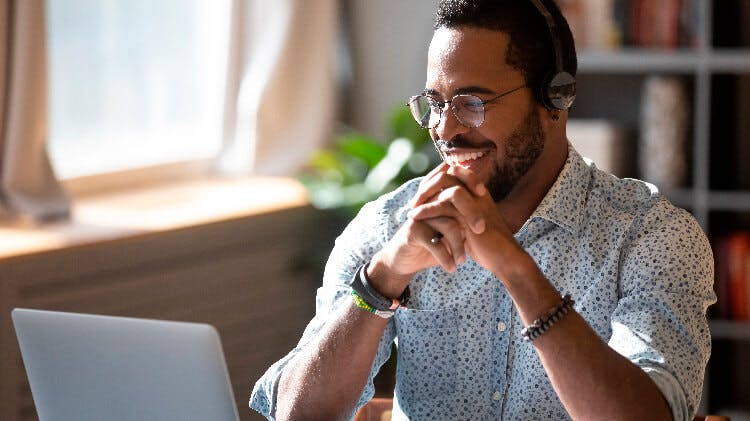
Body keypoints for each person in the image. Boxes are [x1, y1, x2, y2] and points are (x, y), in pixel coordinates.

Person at [251, 0, 716, 420]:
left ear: (555, 98)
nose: (445, 129)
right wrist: (382, 279)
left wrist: (516, 269)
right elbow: (296, 416)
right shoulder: (389, 226)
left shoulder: (652, 237)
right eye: (434, 103)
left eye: (472, 102)